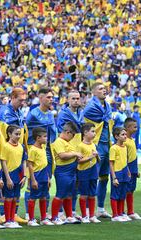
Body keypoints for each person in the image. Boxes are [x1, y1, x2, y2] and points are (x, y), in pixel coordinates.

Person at [0, 88, 27, 224]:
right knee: (7, 185)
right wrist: (5, 153)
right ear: (12, 97)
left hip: (18, 152)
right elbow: (2, 134)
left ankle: (13, 214)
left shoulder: (18, 111)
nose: (22, 103)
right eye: (20, 100)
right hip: (8, 153)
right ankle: (4, 215)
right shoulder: (5, 111)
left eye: (24, 100)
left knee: (17, 185)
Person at [83, 82, 113, 218]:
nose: (104, 90)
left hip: (107, 144)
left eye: (104, 88)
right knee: (93, 178)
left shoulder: (108, 107)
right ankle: (89, 210)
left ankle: (100, 208)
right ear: (94, 92)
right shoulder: (91, 107)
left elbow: (109, 123)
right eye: (100, 89)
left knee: (104, 178)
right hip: (96, 145)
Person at [26, 87, 57, 218]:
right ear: (40, 98)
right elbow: (27, 133)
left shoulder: (50, 114)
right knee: (32, 184)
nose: (51, 100)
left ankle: (45, 213)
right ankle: (29, 213)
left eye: (52, 97)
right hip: (36, 153)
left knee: (46, 182)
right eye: (48, 97)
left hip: (49, 152)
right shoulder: (33, 114)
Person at [56, 90, 84, 218]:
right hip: (68, 152)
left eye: (78, 98)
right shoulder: (63, 114)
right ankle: (60, 212)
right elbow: (62, 133)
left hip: (78, 152)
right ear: (67, 100)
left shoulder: (81, 113)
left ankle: (71, 211)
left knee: (76, 184)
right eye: (73, 98)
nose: (76, 101)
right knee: (64, 185)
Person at [50, 122, 81, 225]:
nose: (72, 138)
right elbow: (62, 155)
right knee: (61, 194)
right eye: (72, 135)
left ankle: (69, 217)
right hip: (63, 171)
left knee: (69, 194)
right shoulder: (59, 142)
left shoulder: (67, 143)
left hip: (71, 172)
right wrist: (75, 153)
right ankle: (54, 217)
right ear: (68, 132)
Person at [1, 125, 27, 229]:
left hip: (19, 175)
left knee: (15, 198)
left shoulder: (21, 146)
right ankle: (8, 220)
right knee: (9, 197)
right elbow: (3, 162)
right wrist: (7, 178)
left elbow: (24, 161)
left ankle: (13, 219)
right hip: (10, 175)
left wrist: (24, 175)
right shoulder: (6, 146)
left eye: (19, 134)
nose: (18, 136)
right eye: (16, 134)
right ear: (9, 134)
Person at [26, 127, 54, 226]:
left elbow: (44, 164)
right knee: (33, 197)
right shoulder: (33, 149)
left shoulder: (43, 147)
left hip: (44, 176)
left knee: (43, 197)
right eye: (45, 137)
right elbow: (29, 164)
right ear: (38, 138)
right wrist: (32, 180)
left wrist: (48, 178)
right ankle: (31, 219)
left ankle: (43, 218)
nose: (46, 139)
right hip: (36, 176)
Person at [76, 123, 101, 224]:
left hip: (93, 171)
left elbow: (98, 160)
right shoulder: (80, 146)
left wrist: (97, 156)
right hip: (83, 172)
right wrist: (90, 157)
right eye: (93, 131)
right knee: (84, 194)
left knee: (92, 194)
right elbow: (78, 161)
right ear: (85, 133)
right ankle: (84, 216)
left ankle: (92, 215)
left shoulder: (94, 145)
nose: (95, 133)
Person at [124, 118, 141, 220]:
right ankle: (123, 212)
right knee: (125, 190)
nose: (136, 129)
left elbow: (133, 156)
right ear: (127, 128)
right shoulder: (124, 142)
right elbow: (124, 158)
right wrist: (127, 170)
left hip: (133, 170)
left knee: (131, 190)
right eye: (134, 127)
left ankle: (130, 212)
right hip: (128, 170)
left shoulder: (132, 140)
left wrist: (136, 170)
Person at [109, 127, 131, 222]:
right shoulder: (113, 148)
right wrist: (114, 177)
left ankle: (121, 213)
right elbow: (111, 163)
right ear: (116, 136)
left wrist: (128, 170)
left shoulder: (125, 147)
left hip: (124, 172)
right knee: (115, 194)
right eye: (123, 134)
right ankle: (115, 215)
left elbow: (124, 160)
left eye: (125, 134)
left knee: (122, 194)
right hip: (117, 173)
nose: (125, 136)